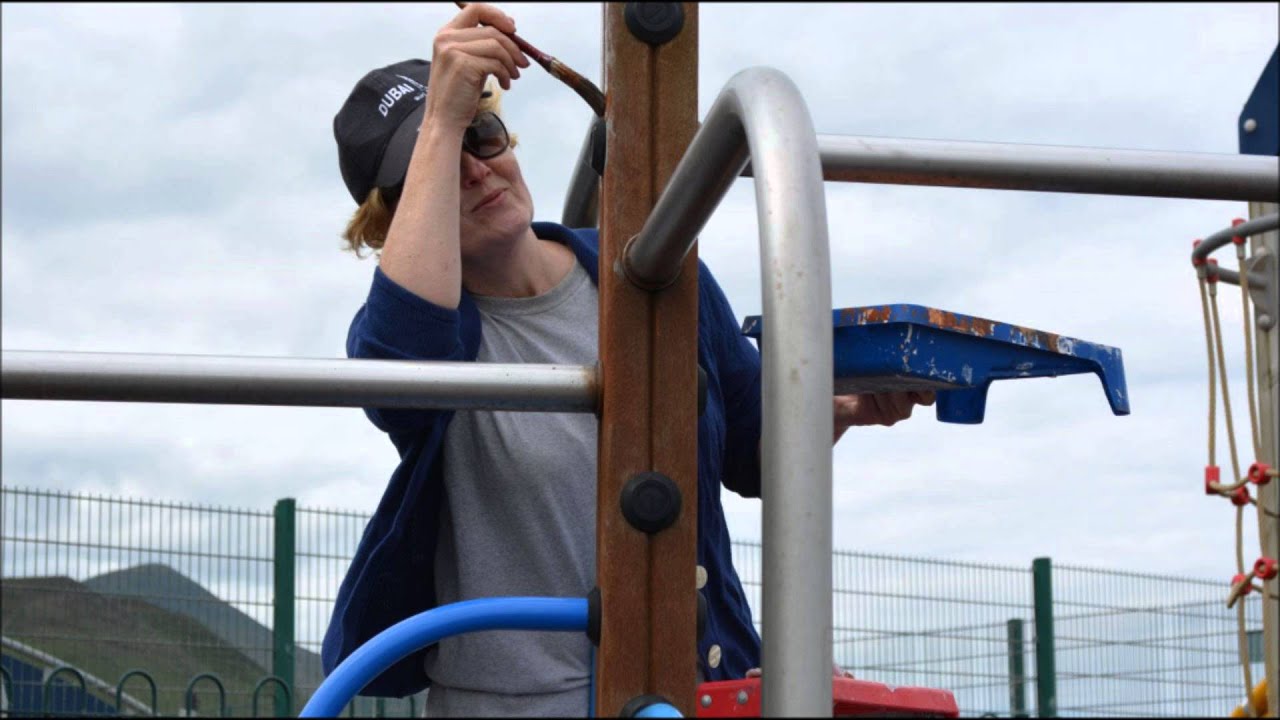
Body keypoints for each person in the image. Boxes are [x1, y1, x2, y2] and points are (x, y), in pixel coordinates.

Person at [321, 4, 934, 716]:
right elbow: (402, 375)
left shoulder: (659, 277)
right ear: (389, 222)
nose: (474, 169)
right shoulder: (417, 330)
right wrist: (442, 120)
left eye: (482, 135)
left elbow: (750, 452)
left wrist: (834, 410)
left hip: (678, 688)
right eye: (438, 158)